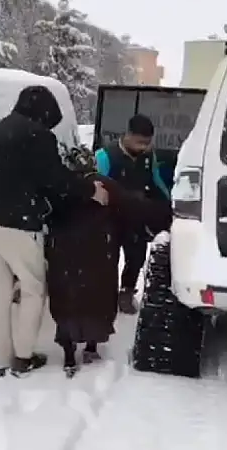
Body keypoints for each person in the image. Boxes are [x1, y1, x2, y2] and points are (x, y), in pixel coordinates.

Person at [0, 85, 109, 378]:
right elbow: (56, 180)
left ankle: (0, 361)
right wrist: (91, 191)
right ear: (45, 113)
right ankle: (22, 357)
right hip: (18, 224)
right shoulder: (36, 135)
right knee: (33, 289)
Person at [46, 145, 172, 377]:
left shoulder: (59, 188)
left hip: (63, 253)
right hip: (99, 252)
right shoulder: (106, 185)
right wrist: (166, 216)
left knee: (67, 299)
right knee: (97, 297)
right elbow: (134, 207)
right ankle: (91, 346)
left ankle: (68, 353)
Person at [94, 114, 170, 315]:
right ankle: (103, 295)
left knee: (136, 257)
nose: (143, 147)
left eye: (147, 143)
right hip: (109, 218)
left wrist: (167, 203)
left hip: (136, 217)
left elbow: (156, 182)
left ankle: (126, 293)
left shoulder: (148, 157)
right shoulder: (105, 156)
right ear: (127, 135)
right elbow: (96, 187)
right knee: (107, 259)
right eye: (139, 142)